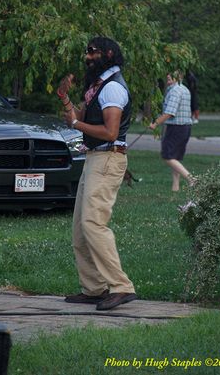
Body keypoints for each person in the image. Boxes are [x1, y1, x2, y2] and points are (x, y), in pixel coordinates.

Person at [56, 37, 136, 311]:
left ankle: (121, 286)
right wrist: (65, 99)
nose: (88, 56)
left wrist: (77, 122)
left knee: (93, 223)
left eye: (93, 52)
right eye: (86, 52)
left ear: (109, 54)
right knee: (80, 228)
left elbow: (110, 132)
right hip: (95, 158)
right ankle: (94, 289)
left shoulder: (113, 88)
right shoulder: (98, 86)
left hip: (107, 158)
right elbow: (79, 119)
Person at [149, 70, 194, 192]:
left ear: (179, 76)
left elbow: (170, 113)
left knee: (168, 156)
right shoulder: (183, 89)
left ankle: (192, 180)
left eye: (172, 75)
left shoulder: (175, 91)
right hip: (185, 127)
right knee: (175, 157)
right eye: (168, 74)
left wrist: (155, 123)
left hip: (176, 127)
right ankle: (175, 188)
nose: (168, 76)